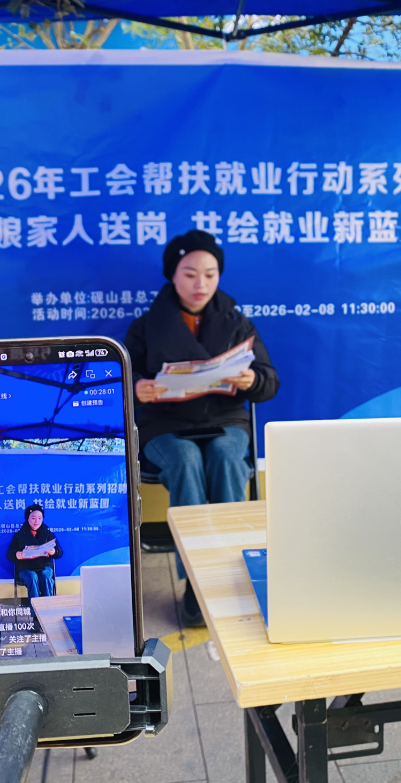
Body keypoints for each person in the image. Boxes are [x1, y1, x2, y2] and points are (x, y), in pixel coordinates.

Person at [125, 229, 279, 626]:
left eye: (210, 275)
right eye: (190, 274)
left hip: (224, 419)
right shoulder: (146, 326)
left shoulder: (237, 322)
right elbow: (122, 381)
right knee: (186, 460)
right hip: (166, 424)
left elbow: (269, 381)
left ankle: (235, 568)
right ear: (172, 275)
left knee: (226, 457)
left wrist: (252, 380)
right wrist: (137, 388)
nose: (201, 284)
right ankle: (198, 580)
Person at [6, 503, 59, 599]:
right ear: (28, 518)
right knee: (32, 576)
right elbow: (10, 554)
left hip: (44, 566)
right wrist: (16, 554)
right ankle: (35, 607)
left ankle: (48, 606)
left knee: (45, 576)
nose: (37, 521)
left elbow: (59, 552)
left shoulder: (48, 534)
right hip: (25, 567)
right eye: (33, 518)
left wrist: (54, 552)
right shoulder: (19, 535)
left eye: (40, 518)